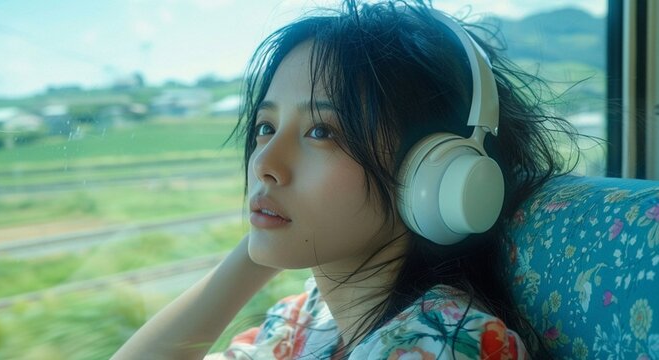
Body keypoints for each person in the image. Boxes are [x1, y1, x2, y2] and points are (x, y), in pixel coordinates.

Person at [113, 0, 581, 358]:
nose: (264, 163)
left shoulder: (441, 343)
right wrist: (263, 241)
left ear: (433, 174)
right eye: (265, 127)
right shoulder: (305, 321)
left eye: (321, 131)